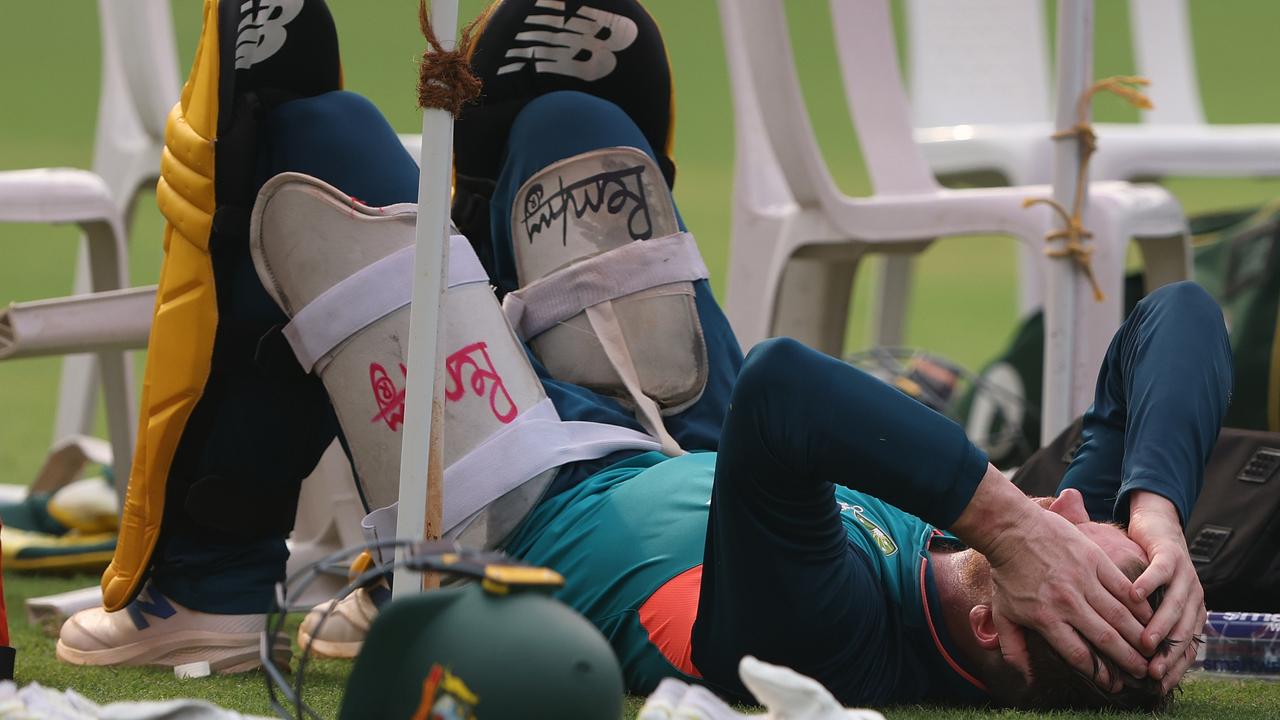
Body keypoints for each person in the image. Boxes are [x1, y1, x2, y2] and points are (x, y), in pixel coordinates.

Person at [57, 0, 1227, 710]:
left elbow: (786, 391)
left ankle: (196, 586)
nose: (1069, 499)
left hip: (518, 493)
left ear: (995, 620)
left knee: (313, 151)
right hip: (681, 434)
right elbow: (1177, 322)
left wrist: (1008, 522)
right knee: (573, 119)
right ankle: (480, 252)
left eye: (1085, 541)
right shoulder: (1007, 566)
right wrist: (1156, 515)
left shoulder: (821, 647)